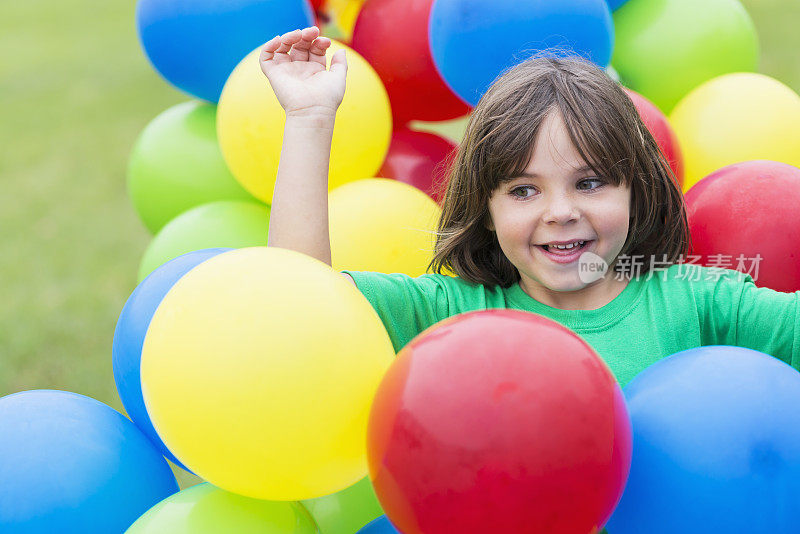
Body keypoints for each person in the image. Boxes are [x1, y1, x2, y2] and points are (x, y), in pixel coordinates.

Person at [262, 26, 799, 387]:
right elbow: (298, 307)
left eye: (590, 184)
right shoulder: (446, 314)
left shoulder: (698, 302)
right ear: (485, 206)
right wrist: (309, 120)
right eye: (523, 191)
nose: (560, 211)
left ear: (637, 189)